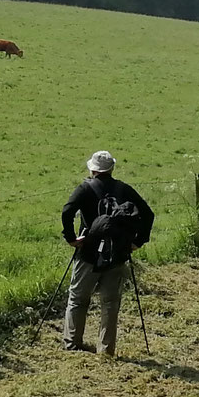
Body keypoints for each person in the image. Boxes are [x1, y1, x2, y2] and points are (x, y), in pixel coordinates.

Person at [59, 151, 154, 355]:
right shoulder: (123, 189)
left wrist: (71, 239)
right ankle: (106, 349)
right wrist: (138, 241)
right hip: (117, 253)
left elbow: (67, 212)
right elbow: (148, 213)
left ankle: (72, 343)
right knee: (110, 303)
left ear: (93, 169)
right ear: (111, 169)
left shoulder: (85, 188)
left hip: (88, 253)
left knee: (77, 299)